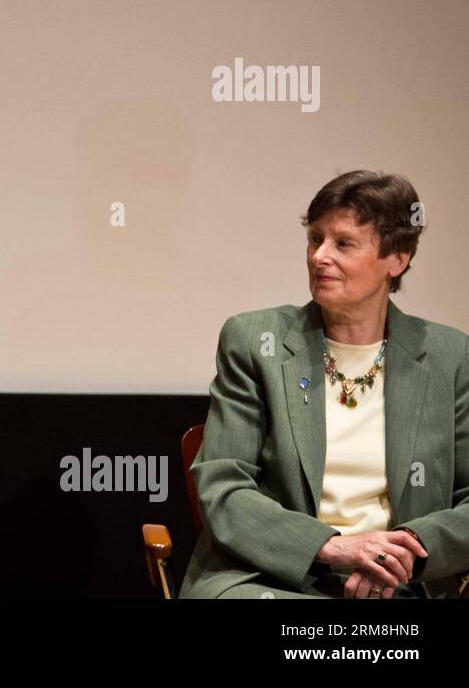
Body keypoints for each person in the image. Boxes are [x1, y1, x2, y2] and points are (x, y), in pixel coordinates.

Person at [181, 170, 469, 599]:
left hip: (398, 586)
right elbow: (223, 486)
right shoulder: (255, 341)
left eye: (343, 243)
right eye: (315, 239)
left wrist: (403, 553)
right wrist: (332, 547)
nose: (319, 256)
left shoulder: (451, 356)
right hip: (268, 579)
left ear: (397, 258)